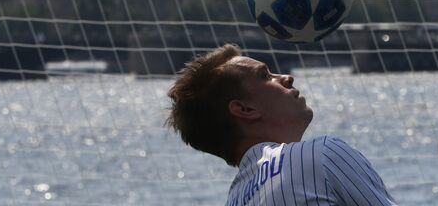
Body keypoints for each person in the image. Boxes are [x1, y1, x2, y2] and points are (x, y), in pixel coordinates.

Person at [166, 44, 397, 206]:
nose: (285, 77)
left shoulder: (234, 200)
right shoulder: (322, 156)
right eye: (265, 76)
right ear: (245, 109)